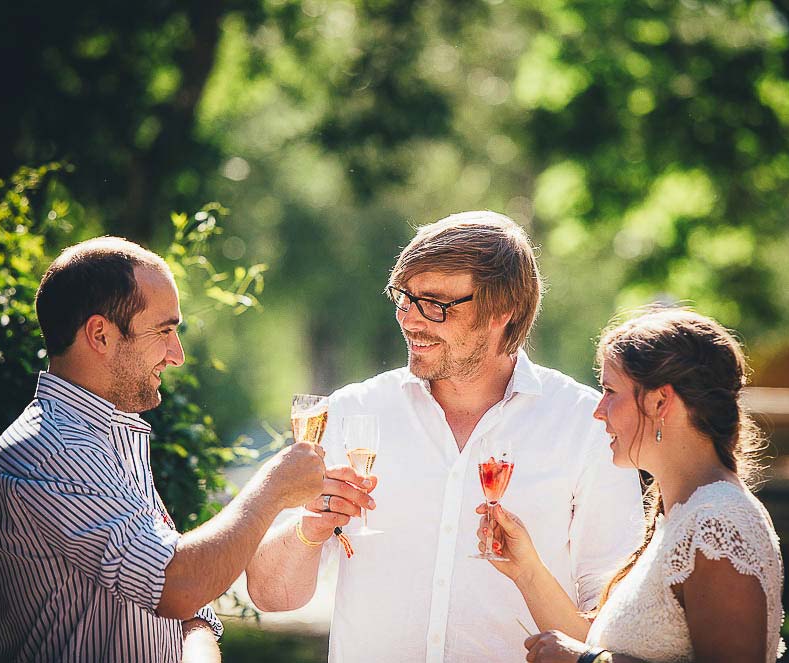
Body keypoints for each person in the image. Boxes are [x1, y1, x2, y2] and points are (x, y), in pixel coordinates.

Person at [246, 211, 645, 662]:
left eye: (435, 304)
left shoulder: (584, 424)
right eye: (404, 298)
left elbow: (612, 623)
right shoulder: (351, 411)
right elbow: (270, 595)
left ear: (503, 311)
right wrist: (310, 528)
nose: (411, 321)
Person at [0, 237, 326, 662]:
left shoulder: (106, 435)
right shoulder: (52, 451)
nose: (177, 354)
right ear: (100, 334)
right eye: (165, 331)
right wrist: (273, 486)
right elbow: (178, 587)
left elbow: (186, 607)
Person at [477, 308, 785, 663]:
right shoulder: (682, 517)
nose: (598, 409)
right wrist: (525, 569)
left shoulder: (718, 522)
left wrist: (585, 662)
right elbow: (605, 645)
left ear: (659, 401)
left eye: (610, 391)